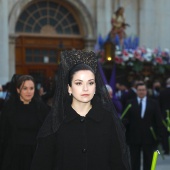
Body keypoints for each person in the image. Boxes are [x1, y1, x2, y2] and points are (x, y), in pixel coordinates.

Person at [31, 50, 131, 170]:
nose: (85, 88)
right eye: (78, 83)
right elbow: (42, 163)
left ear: (95, 87)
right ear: (69, 88)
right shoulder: (56, 120)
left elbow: (117, 162)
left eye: (90, 83)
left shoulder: (107, 118)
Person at [0, 75, 49, 170]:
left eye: (31, 88)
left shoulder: (42, 109)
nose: (28, 91)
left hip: (35, 155)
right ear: (18, 90)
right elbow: (3, 134)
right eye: (25, 88)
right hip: (14, 155)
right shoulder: (9, 109)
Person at [123, 83, 163, 170]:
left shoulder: (154, 103)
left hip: (149, 137)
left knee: (149, 161)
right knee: (134, 161)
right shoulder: (130, 103)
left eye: (143, 90)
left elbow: (158, 121)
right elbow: (125, 118)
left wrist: (159, 136)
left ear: (146, 91)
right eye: (139, 90)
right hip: (133, 137)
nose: (141, 92)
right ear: (136, 91)